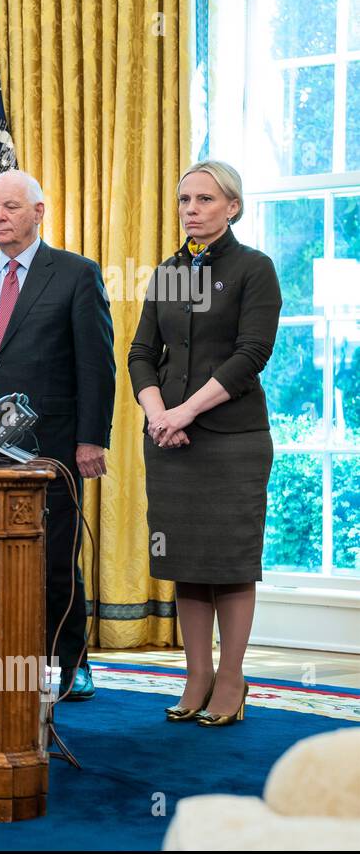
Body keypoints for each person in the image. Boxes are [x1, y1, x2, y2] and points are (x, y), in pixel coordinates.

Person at [0, 169, 115, 700]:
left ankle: (72, 661)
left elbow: (96, 366)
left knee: (55, 557)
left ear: (38, 212)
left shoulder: (76, 274)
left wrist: (90, 440)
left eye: (10, 207)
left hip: (49, 443)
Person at [128, 160, 281, 727]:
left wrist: (186, 410)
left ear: (232, 207)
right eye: (184, 200)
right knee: (186, 563)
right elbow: (142, 353)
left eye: (204, 200)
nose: (191, 209)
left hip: (232, 439)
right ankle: (196, 676)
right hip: (169, 439)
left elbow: (251, 354)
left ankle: (233, 679)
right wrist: (158, 414)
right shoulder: (170, 271)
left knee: (230, 562)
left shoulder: (253, 268)